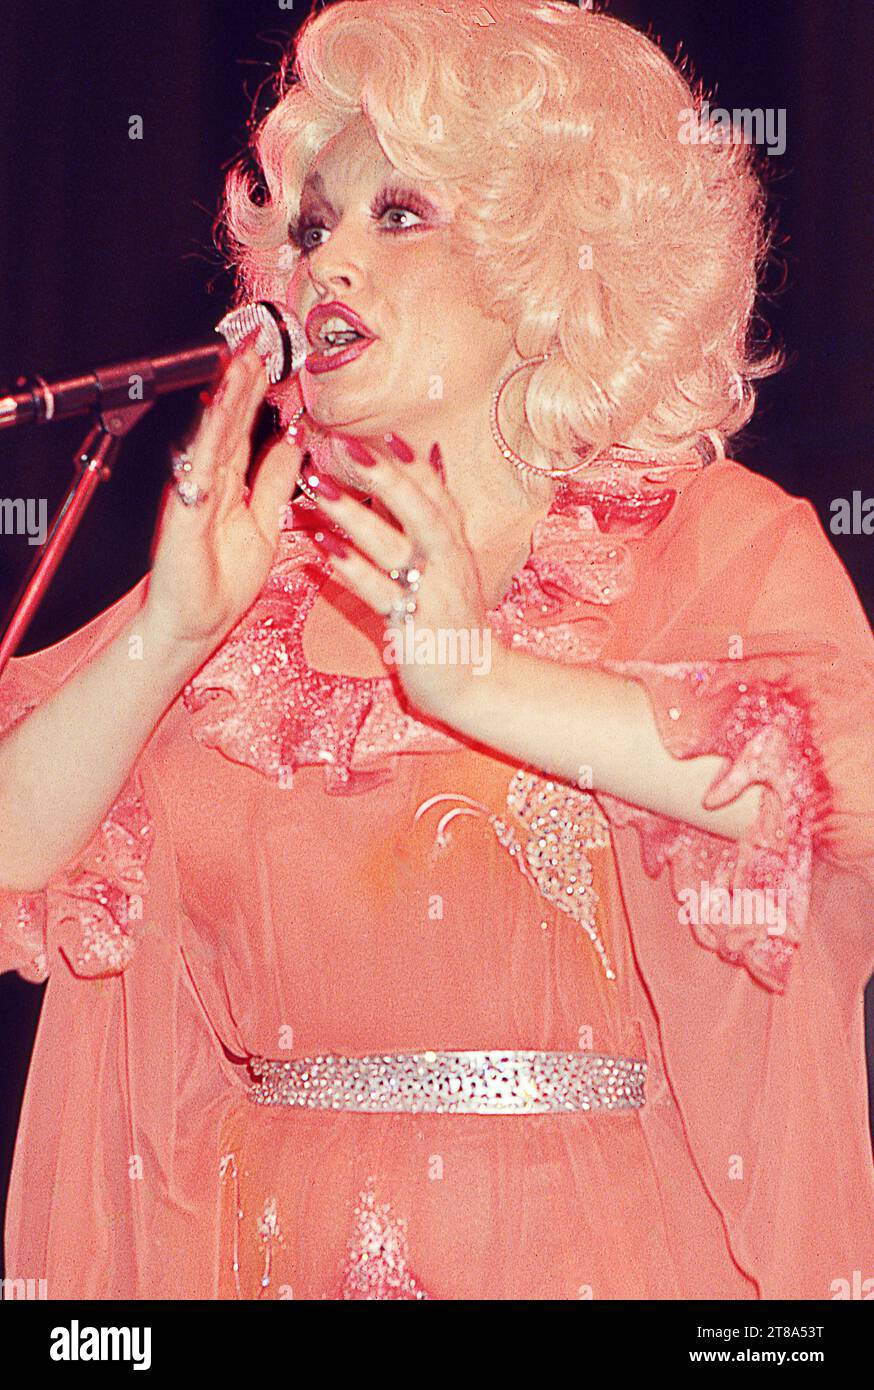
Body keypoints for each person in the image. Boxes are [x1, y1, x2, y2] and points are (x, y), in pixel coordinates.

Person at [1, 0, 872, 1300]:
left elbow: (823, 787)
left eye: (397, 214)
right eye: (310, 229)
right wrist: (167, 637)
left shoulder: (707, 545)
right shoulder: (251, 582)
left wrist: (476, 678)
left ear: (549, 265)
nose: (326, 265)